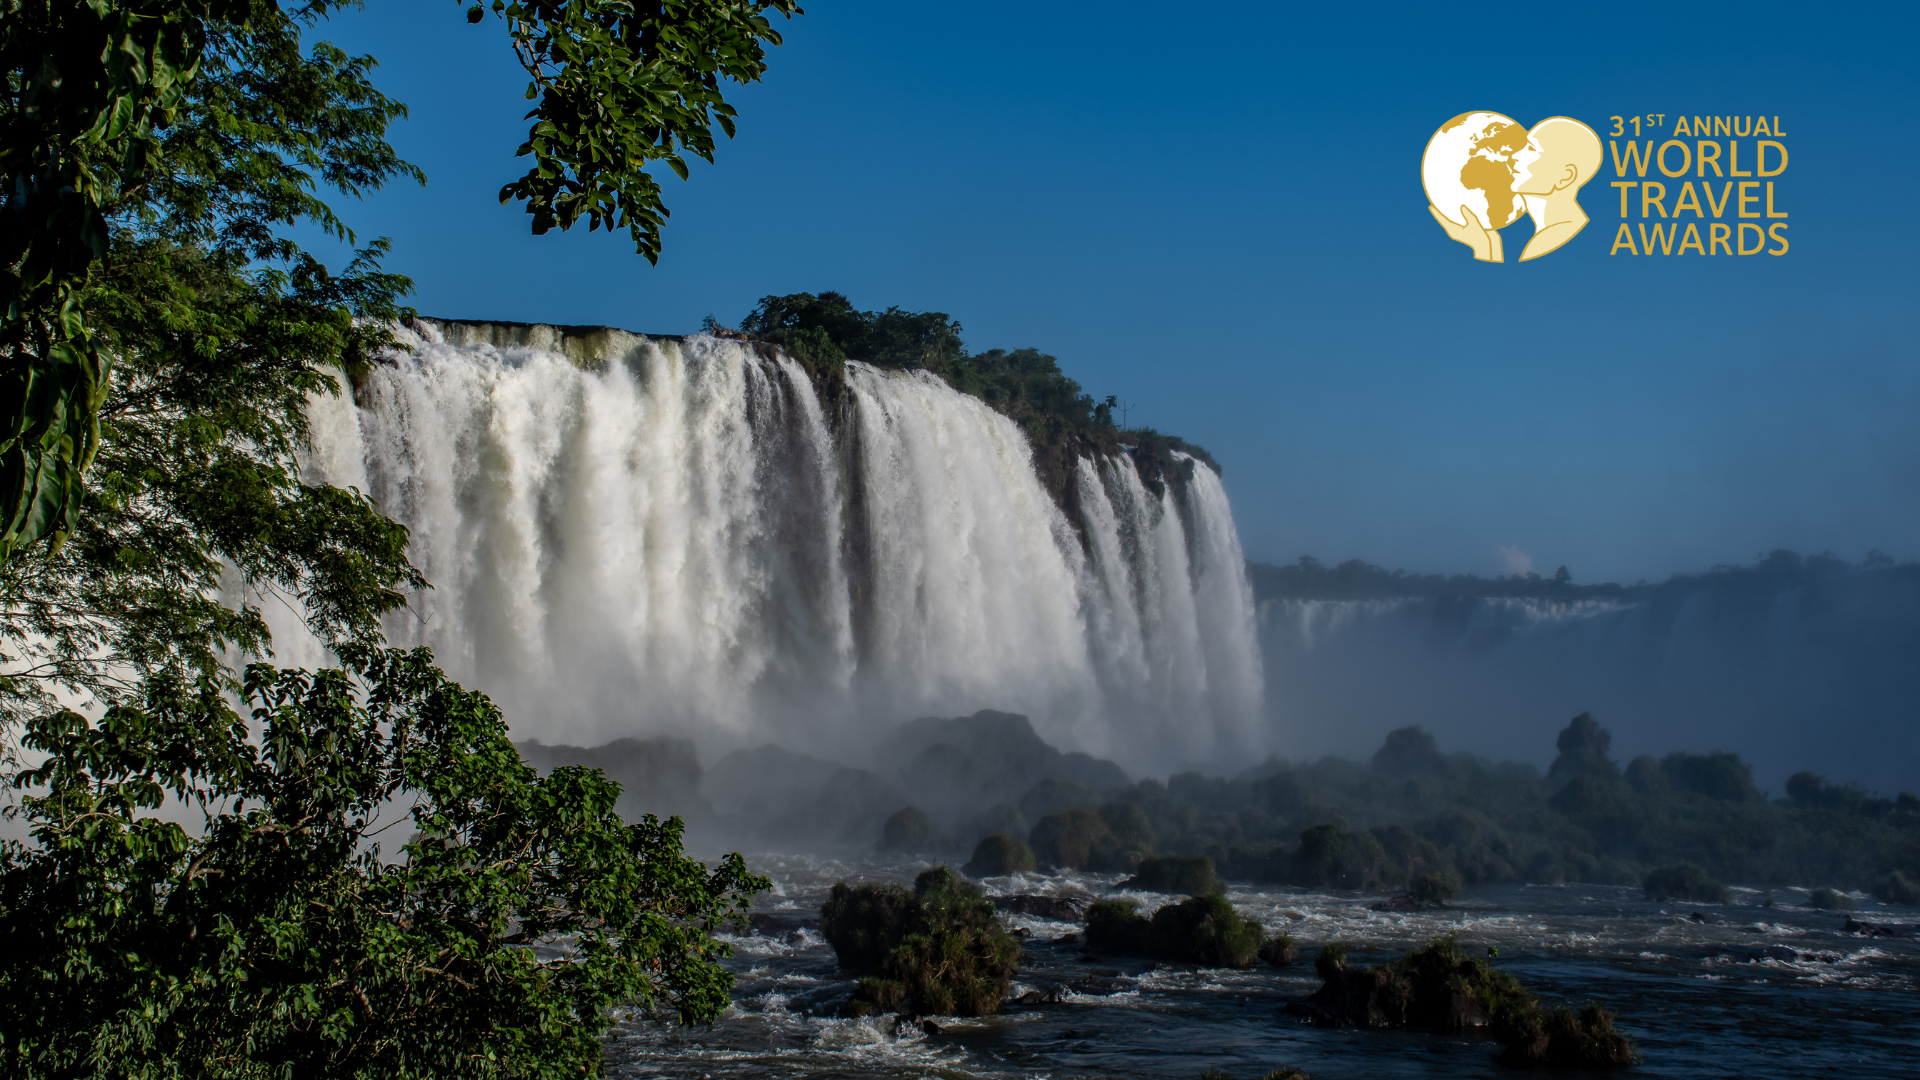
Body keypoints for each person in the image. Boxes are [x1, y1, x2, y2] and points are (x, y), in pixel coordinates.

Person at [1509, 117, 1602, 261]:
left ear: (1566, 176)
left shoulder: (1547, 241)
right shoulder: (1552, 234)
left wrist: (1484, 247)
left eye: (1531, 149)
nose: (1515, 156)